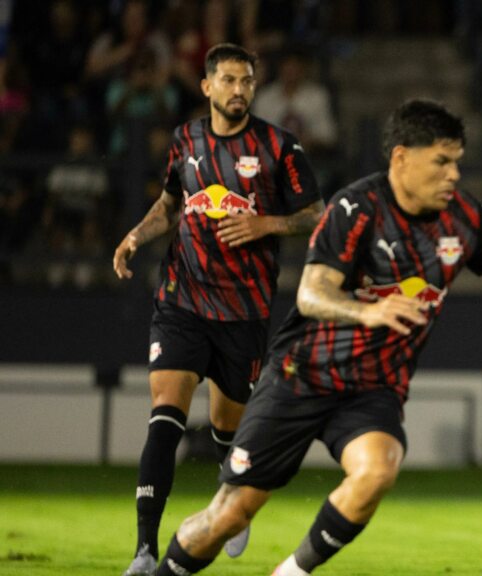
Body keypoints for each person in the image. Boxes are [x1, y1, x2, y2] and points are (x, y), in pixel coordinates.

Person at [150, 98, 482, 576]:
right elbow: (312, 294)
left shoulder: (466, 219)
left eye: (457, 162)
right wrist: (368, 311)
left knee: (378, 469)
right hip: (301, 376)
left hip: (374, 387)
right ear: (401, 157)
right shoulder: (355, 208)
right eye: (441, 162)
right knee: (230, 515)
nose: (453, 175)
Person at [112, 43, 325, 576]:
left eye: (247, 80)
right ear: (207, 86)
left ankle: (230, 500)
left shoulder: (278, 146)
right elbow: (170, 206)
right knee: (165, 417)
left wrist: (266, 223)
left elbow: (315, 214)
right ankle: (144, 549)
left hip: (243, 312)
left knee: (228, 430)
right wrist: (135, 236)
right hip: (181, 301)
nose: (239, 89)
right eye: (228, 80)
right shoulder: (185, 140)